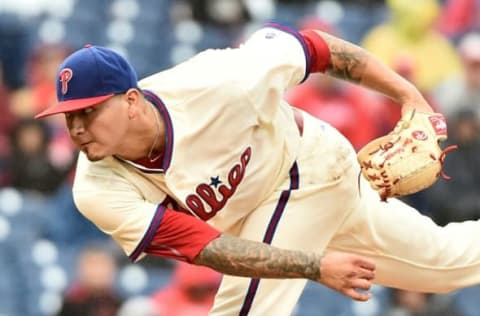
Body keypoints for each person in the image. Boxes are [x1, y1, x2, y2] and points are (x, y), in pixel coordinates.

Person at [35, 22, 480, 316]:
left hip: (306, 167)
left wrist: (410, 97)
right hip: (270, 212)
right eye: (69, 116)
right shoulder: (96, 188)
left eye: (88, 112)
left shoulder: (218, 82)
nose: (75, 127)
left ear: (130, 101)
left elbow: (317, 48)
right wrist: (314, 264)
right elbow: (208, 248)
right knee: (445, 267)